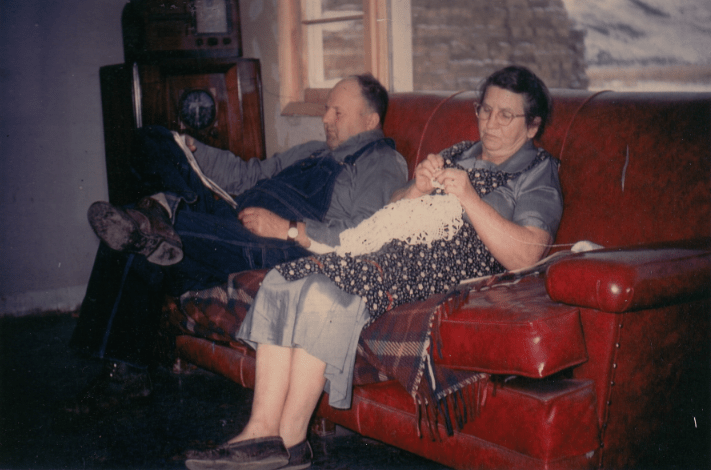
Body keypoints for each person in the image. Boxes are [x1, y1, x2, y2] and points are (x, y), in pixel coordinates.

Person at [184, 65, 563, 470]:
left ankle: (291, 441)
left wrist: (470, 197)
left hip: (446, 264)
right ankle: (260, 432)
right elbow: (391, 210)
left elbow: (527, 255)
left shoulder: (537, 171)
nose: (490, 123)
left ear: (533, 126)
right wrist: (415, 188)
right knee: (286, 279)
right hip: (390, 245)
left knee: (323, 292)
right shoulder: (459, 152)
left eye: (506, 115)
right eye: (485, 110)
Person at [65, 73, 408, 414]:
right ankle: (163, 211)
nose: (324, 119)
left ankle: (163, 214)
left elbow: (364, 234)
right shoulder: (313, 151)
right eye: (326, 109)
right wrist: (195, 153)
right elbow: (250, 174)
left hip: (276, 243)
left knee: (138, 227)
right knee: (153, 141)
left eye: (337, 113)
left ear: (370, 120)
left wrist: (287, 228)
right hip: (234, 214)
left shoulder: (381, 163)